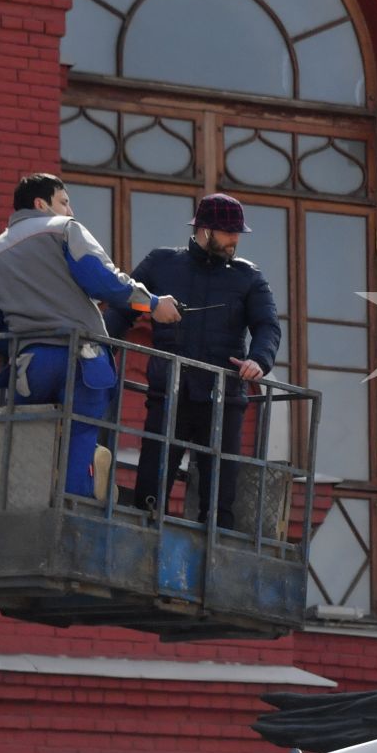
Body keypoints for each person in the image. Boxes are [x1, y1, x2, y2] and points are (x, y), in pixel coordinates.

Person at [0, 174, 180, 497]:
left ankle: (25, 501)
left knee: (32, 439)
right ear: (41, 204)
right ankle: (73, 506)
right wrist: (152, 303)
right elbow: (104, 281)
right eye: (64, 201)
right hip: (80, 360)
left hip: (29, 366)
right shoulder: (63, 229)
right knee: (80, 437)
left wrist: (25, 339)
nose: (70, 210)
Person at [108, 193, 280, 530]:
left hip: (224, 398)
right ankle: (145, 541)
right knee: (150, 491)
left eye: (237, 233)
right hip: (168, 394)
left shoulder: (249, 277)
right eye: (229, 232)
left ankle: (216, 557)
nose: (235, 240)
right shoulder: (161, 263)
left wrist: (260, 360)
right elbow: (122, 309)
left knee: (220, 503)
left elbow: (267, 326)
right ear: (204, 230)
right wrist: (98, 346)